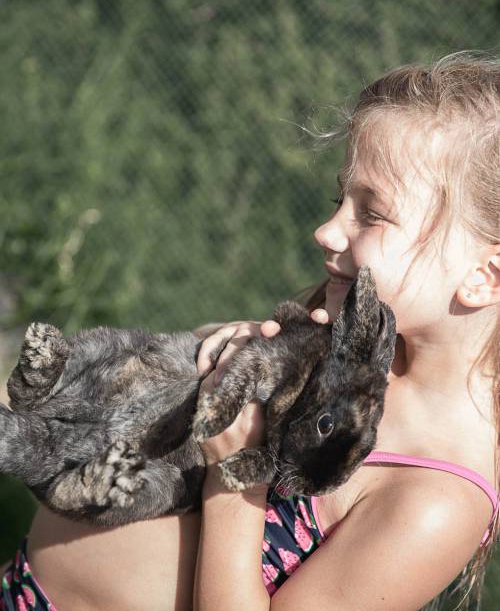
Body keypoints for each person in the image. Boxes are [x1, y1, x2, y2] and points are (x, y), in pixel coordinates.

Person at [1, 53, 498, 611]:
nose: (327, 230)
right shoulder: (343, 340)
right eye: (341, 199)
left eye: (373, 213)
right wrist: (220, 350)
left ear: (485, 277)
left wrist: (234, 472)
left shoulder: (439, 500)